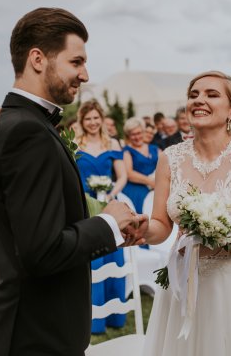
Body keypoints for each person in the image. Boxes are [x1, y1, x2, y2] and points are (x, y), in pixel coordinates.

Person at [0, 8, 147, 356]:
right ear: (38, 59)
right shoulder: (27, 131)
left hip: (38, 328)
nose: (85, 74)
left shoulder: (27, 122)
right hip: (37, 335)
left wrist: (114, 228)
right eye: (76, 62)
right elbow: (41, 251)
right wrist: (108, 223)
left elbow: (43, 225)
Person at [142, 71, 231, 355]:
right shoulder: (169, 158)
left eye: (211, 94)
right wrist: (140, 230)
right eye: (193, 95)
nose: (199, 100)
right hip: (181, 280)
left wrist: (211, 245)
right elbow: (160, 225)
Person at [74, 100, 128, 334]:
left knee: (114, 255)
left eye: (96, 118)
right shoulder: (75, 144)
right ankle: (93, 318)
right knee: (92, 259)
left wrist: (110, 193)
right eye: (88, 119)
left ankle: (115, 317)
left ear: (101, 119)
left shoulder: (113, 143)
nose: (93, 122)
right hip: (85, 207)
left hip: (110, 204)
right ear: (82, 121)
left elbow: (122, 176)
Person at [122, 117, 160, 214]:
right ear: (128, 136)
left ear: (144, 132)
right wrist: (151, 182)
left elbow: (167, 166)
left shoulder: (155, 149)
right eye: (133, 134)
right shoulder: (127, 151)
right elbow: (129, 174)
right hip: (137, 188)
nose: (137, 137)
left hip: (157, 186)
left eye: (139, 133)